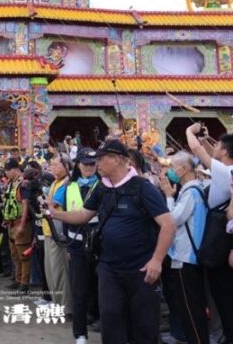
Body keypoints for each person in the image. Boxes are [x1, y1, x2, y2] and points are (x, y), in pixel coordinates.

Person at [48, 139, 175, 344]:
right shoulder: (102, 188)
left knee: (143, 324)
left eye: (101, 159)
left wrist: (157, 260)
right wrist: (54, 214)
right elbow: (83, 215)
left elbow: (168, 225)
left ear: (117, 159)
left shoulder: (142, 188)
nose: (96, 165)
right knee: (111, 319)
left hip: (141, 269)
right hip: (108, 267)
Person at [186, 124, 233, 343]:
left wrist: (189, 131)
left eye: (218, 145)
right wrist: (205, 139)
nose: (214, 146)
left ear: (224, 151)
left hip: (222, 243)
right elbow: (208, 150)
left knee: (224, 296)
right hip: (224, 240)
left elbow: (198, 151)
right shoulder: (228, 170)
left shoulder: (225, 171)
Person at [159, 151, 209, 344]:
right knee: (192, 307)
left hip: (186, 257)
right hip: (189, 257)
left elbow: (172, 221)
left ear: (184, 169)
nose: (171, 171)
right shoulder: (195, 189)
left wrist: (168, 197)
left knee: (190, 309)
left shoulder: (190, 193)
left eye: (173, 167)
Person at [61, 148, 100, 344]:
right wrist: (68, 245)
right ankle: (80, 333)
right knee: (79, 291)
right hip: (76, 246)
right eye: (85, 164)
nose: (89, 168)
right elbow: (65, 215)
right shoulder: (70, 187)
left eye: (93, 164)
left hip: (100, 245)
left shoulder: (104, 186)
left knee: (101, 288)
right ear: (78, 165)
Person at [44, 154, 72, 313]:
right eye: (52, 165)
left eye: (55, 165)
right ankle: (56, 302)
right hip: (49, 230)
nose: (52, 168)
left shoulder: (67, 183)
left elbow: (52, 203)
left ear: (66, 166)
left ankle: (65, 306)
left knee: (60, 272)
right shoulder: (56, 182)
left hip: (59, 232)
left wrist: (47, 201)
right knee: (51, 271)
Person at [1, 158, 32, 292]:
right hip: (11, 223)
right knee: (14, 254)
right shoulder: (11, 183)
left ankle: (24, 284)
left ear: (15, 169)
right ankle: (18, 279)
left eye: (8, 170)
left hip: (20, 223)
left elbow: (25, 204)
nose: (6, 173)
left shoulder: (23, 184)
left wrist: (22, 225)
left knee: (23, 255)